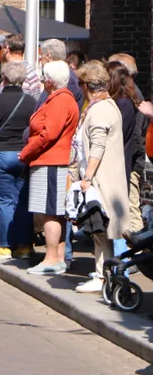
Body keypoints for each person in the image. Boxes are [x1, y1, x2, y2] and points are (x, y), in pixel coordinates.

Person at [71, 61, 131, 292]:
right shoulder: (105, 106)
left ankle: (103, 276)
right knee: (102, 231)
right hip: (102, 177)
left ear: (87, 85)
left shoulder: (100, 110)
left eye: (80, 83)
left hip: (101, 179)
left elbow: (97, 146)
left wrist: (87, 177)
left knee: (102, 229)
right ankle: (105, 273)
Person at [19, 61, 79, 275]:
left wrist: (26, 152)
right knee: (54, 212)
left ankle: (52, 258)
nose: (42, 80)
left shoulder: (60, 100)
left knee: (50, 212)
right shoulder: (61, 98)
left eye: (44, 77)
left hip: (50, 161)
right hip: (51, 160)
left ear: (51, 81)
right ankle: (58, 257)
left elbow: (48, 134)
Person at [0, 61, 37, 259]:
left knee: (4, 201)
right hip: (23, 156)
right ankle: (24, 246)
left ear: (4, 79)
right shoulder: (32, 102)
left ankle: (4, 245)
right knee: (22, 201)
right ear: (23, 80)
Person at [108, 53, 147, 235]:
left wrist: (133, 163)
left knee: (130, 207)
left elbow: (136, 134)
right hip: (130, 158)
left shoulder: (129, 98)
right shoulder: (129, 95)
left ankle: (137, 251)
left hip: (130, 161)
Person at [38, 39, 83, 110]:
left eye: (41, 56)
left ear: (48, 56)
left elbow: (59, 110)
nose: (40, 61)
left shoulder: (67, 78)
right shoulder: (56, 75)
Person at [0, 34, 42, 99]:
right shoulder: (31, 72)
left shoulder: (12, 72)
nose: (1, 50)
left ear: (7, 48)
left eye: (1, 47)